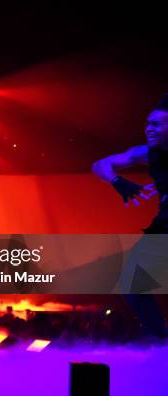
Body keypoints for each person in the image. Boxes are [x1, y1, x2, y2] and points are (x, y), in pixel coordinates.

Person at [92, 94, 168, 340]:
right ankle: (162, 343)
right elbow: (100, 164)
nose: (148, 128)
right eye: (147, 123)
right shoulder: (147, 153)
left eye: (156, 124)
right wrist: (116, 181)